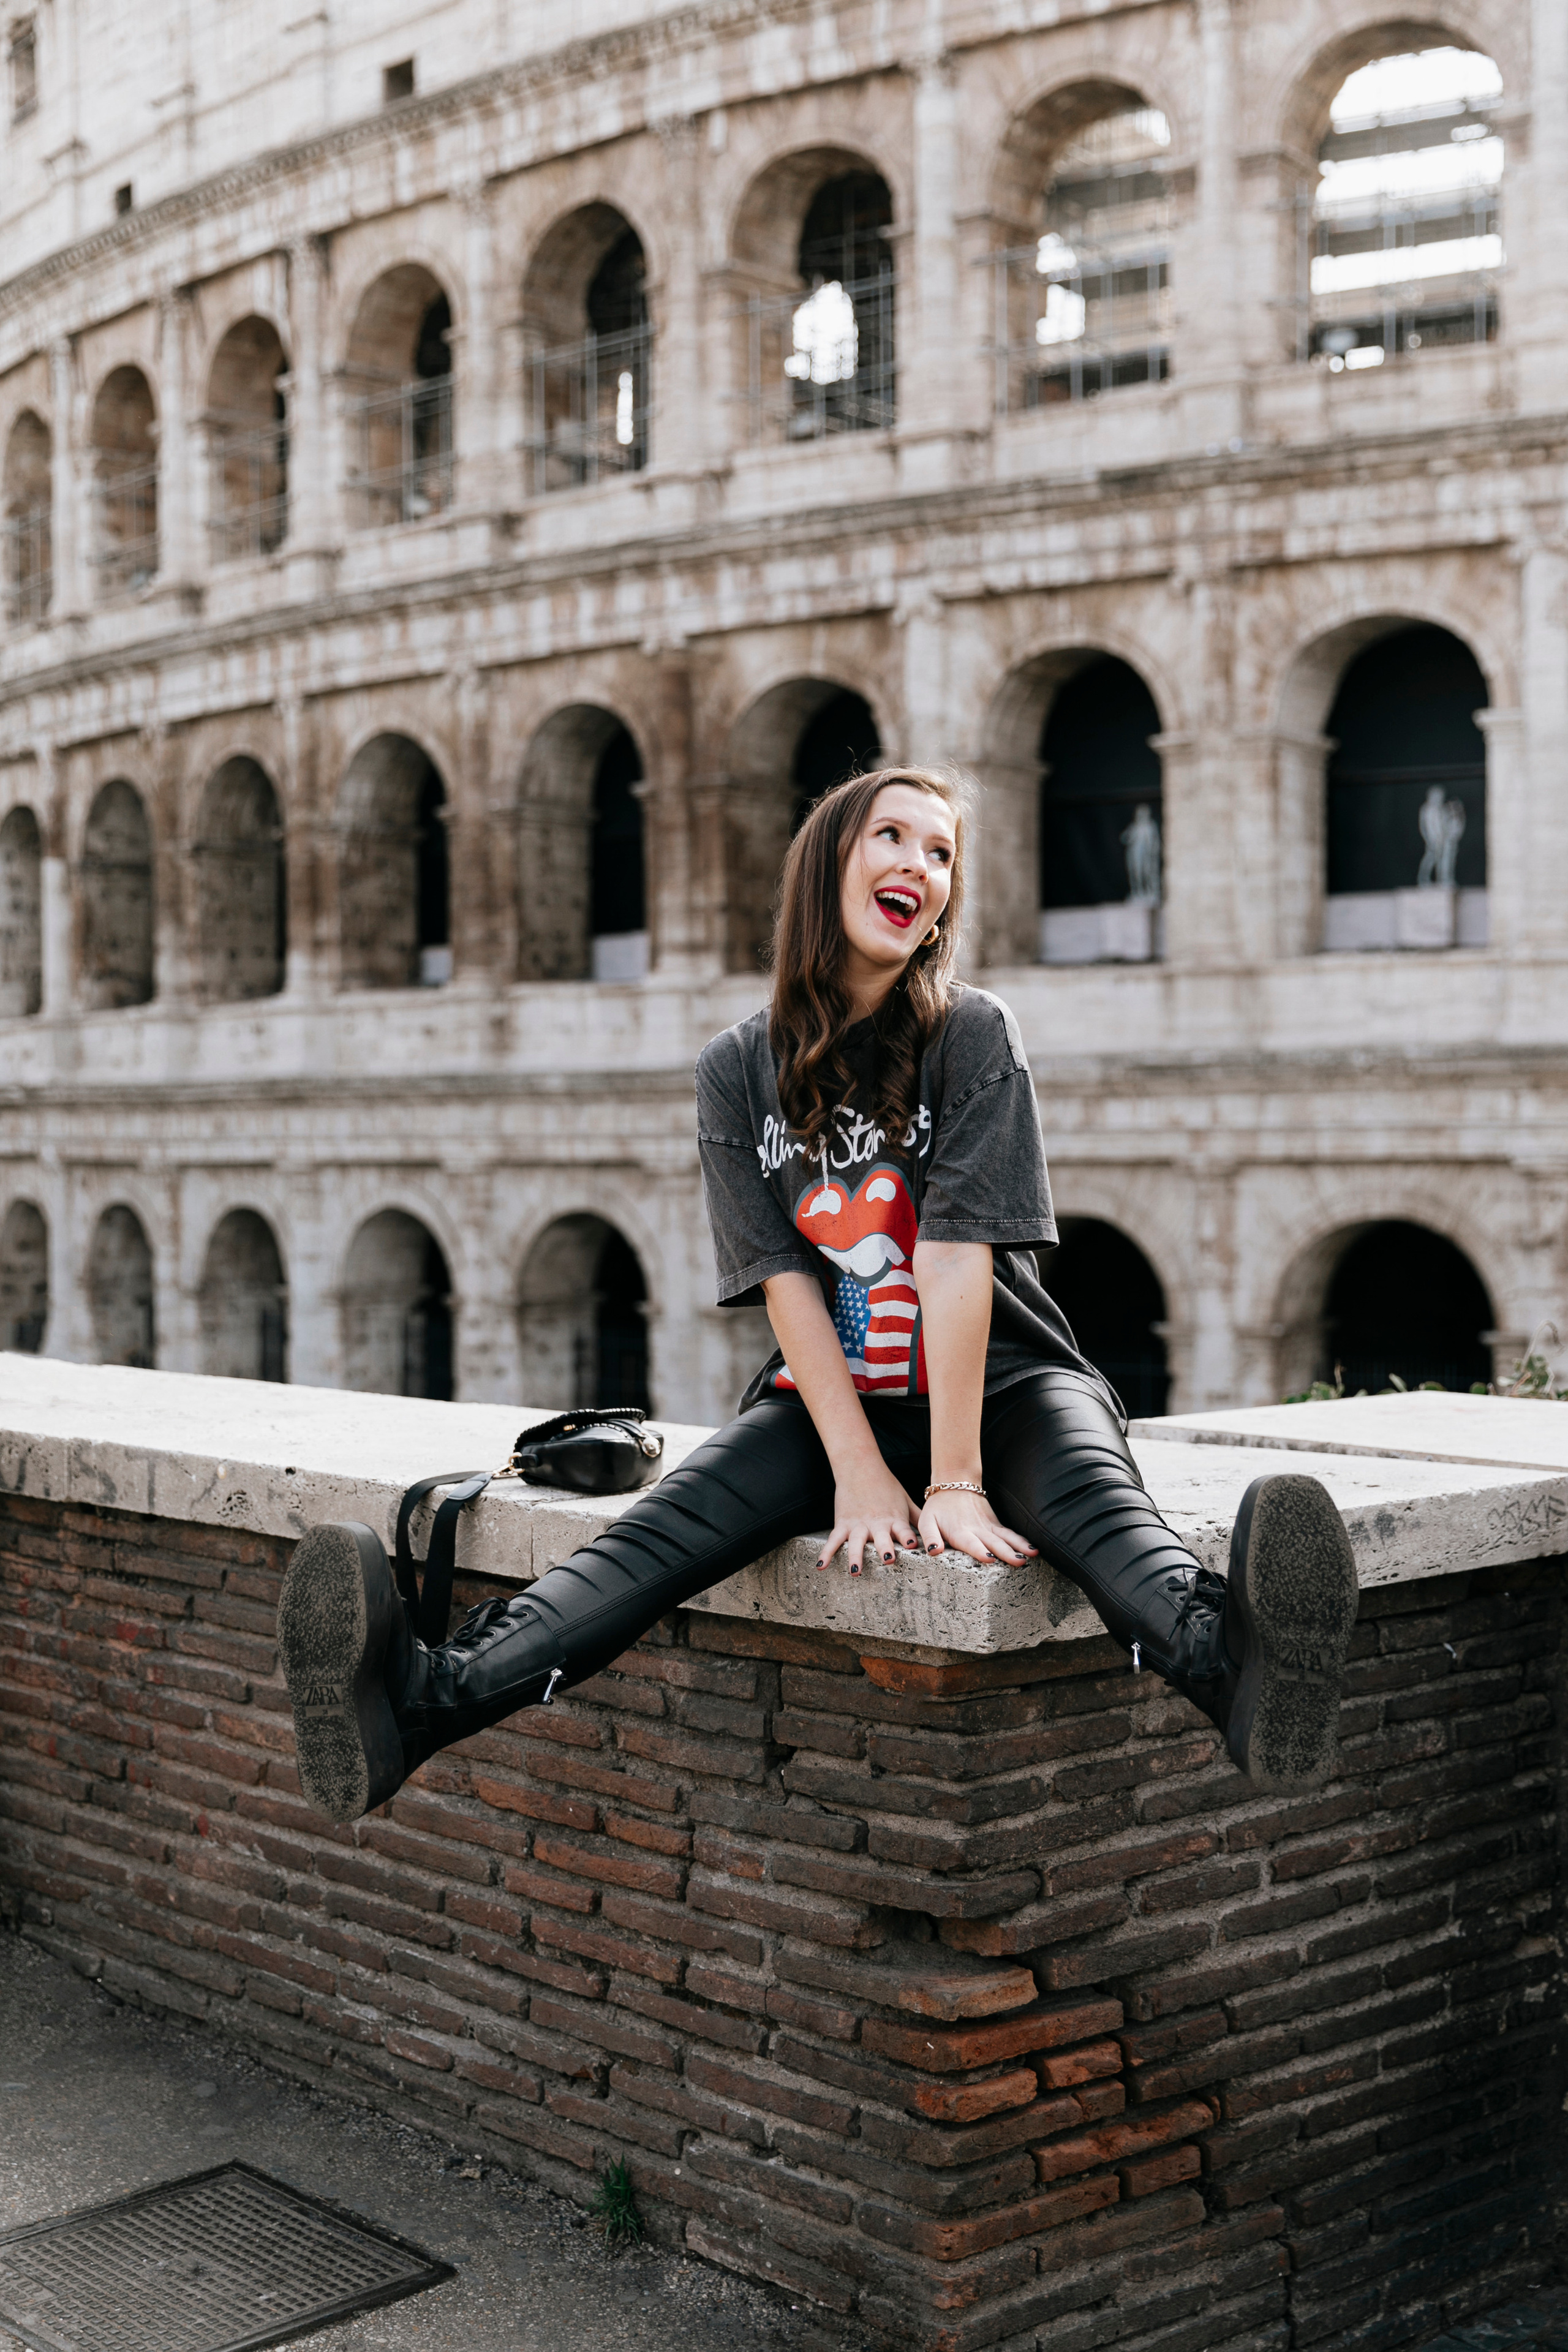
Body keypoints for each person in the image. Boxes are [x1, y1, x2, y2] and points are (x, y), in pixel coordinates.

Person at [277, 765, 1359, 1826]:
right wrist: (854, 1466)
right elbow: (784, 1276)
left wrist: (954, 1483)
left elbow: (953, 1256)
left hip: (1010, 1385)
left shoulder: (972, 1033)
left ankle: (1237, 1665)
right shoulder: (734, 1069)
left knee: (1103, 1517)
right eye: (894, 838)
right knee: (653, 1543)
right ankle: (424, 1699)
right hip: (824, 1392)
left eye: (943, 856)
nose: (922, 868)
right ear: (828, 864)